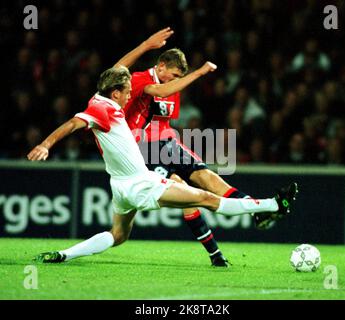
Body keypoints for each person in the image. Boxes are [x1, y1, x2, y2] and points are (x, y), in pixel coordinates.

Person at [28, 66, 298, 265]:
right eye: (126, 93)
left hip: (120, 186)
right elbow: (74, 123)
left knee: (118, 234)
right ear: (115, 92)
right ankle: (272, 204)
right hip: (140, 183)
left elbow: (117, 71)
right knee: (206, 197)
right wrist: (46, 145)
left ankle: (64, 255)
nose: (129, 97)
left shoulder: (98, 100)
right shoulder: (104, 109)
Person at [123, 48, 286, 266]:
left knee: (208, 177)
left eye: (179, 78)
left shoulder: (175, 87)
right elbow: (158, 92)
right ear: (161, 66)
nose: (177, 81)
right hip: (143, 148)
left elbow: (164, 119)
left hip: (168, 142)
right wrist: (199, 73)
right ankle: (215, 254)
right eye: (174, 75)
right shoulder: (139, 78)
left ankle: (255, 211)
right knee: (184, 192)